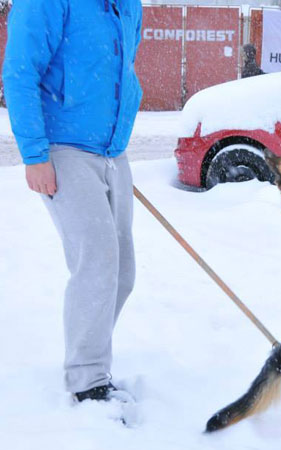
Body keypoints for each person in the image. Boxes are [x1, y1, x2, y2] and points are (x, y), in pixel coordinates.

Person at [3, 0, 143, 403]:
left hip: (112, 152)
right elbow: (20, 73)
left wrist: (113, 137)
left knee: (123, 272)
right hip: (63, 149)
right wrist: (35, 155)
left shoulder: (128, 5)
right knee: (97, 261)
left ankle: (90, 352)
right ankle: (88, 380)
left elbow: (121, 64)